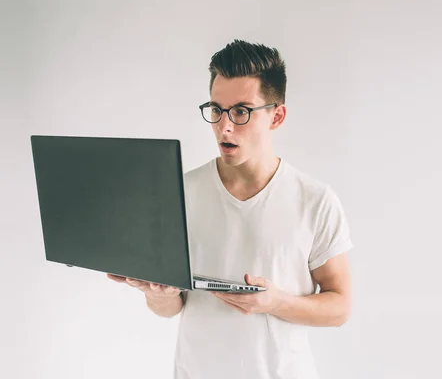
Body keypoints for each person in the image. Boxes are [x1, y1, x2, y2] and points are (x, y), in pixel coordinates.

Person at [108, 39, 353, 379]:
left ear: (276, 115)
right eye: (217, 109)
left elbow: (339, 306)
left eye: (241, 111)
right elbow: (170, 308)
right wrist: (158, 293)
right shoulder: (179, 193)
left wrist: (276, 302)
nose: (224, 126)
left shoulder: (314, 200)